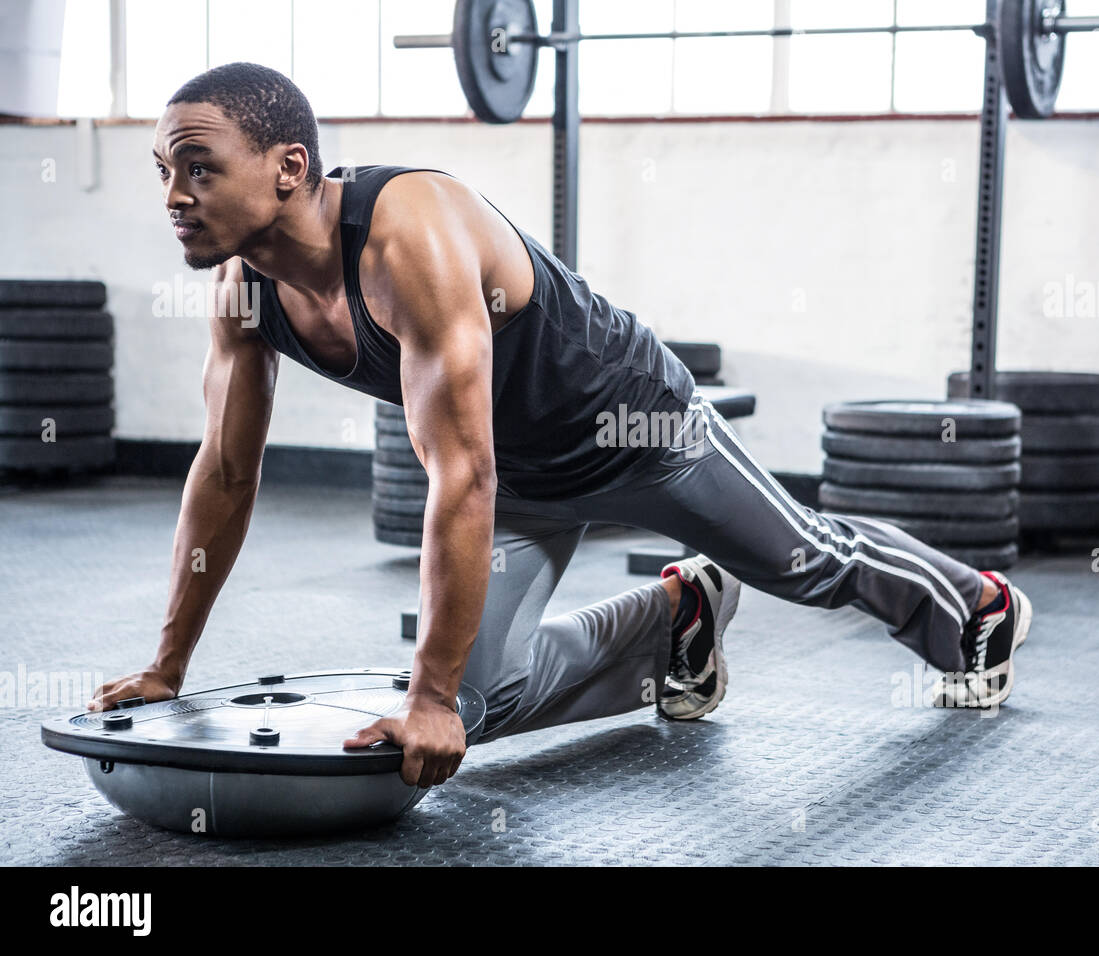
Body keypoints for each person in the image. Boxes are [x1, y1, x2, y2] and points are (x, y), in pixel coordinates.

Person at [89, 63, 1032, 790]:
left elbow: (459, 475)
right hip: (520, 474)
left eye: (198, 167)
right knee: (479, 703)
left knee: (806, 566)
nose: (173, 192)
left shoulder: (405, 232)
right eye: (164, 169)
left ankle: (978, 610)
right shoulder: (243, 294)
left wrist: (424, 695)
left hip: (639, 430)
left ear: (290, 167)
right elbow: (223, 475)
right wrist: (166, 667)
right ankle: (672, 625)